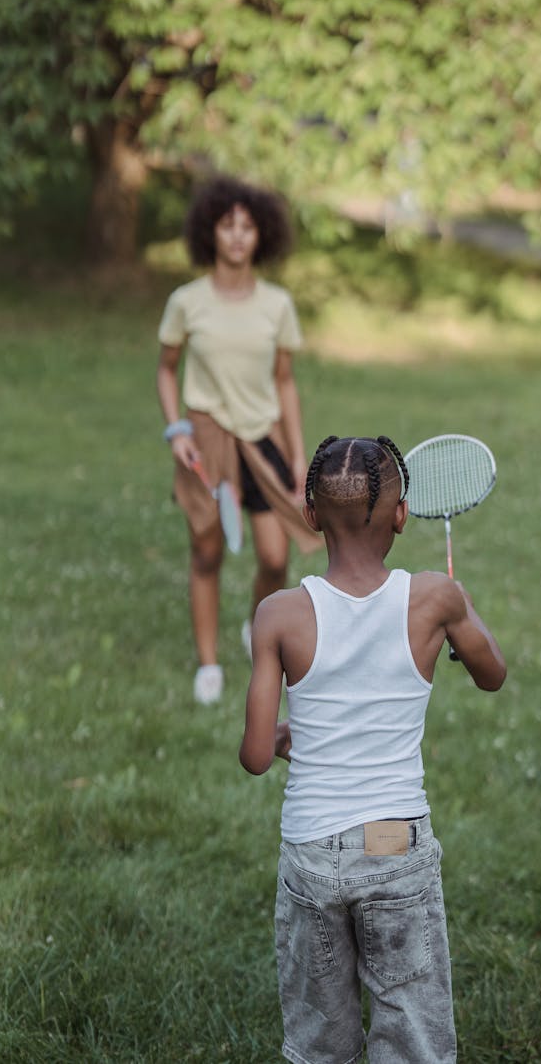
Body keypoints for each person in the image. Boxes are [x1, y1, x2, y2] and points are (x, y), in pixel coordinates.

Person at [239, 434, 507, 1064]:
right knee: (411, 1035)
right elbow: (492, 673)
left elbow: (255, 754)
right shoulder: (435, 598)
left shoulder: (278, 613)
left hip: (313, 851)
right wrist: (460, 610)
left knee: (320, 1041)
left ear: (309, 517)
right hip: (396, 846)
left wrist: (289, 741)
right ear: (402, 516)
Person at [157, 175, 319, 705]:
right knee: (206, 552)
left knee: (275, 557)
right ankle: (208, 665)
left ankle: (257, 630)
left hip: (263, 439)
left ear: (261, 235)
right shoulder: (186, 301)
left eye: (247, 227)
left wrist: (297, 455)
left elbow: (285, 382)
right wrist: (175, 427)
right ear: (211, 232)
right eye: (227, 225)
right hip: (205, 440)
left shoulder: (277, 305)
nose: (236, 236)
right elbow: (166, 370)